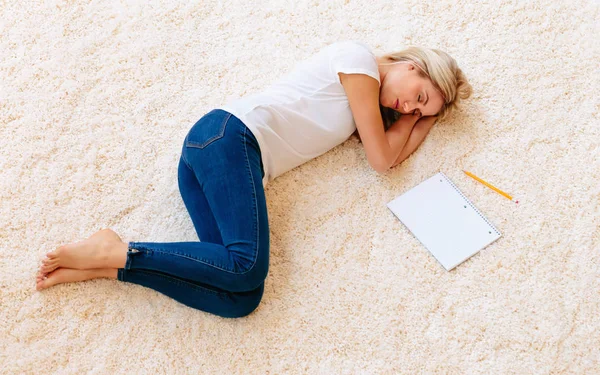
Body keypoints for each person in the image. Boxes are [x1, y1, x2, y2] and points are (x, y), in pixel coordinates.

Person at [36, 41, 472, 318]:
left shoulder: (370, 107)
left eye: (418, 111)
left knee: (241, 297)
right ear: (413, 64)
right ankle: (120, 249)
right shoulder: (359, 62)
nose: (408, 107)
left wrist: (427, 116)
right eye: (417, 96)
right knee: (246, 265)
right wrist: (427, 121)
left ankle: (110, 265)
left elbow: (387, 154)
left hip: (212, 159)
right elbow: (383, 159)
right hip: (230, 136)